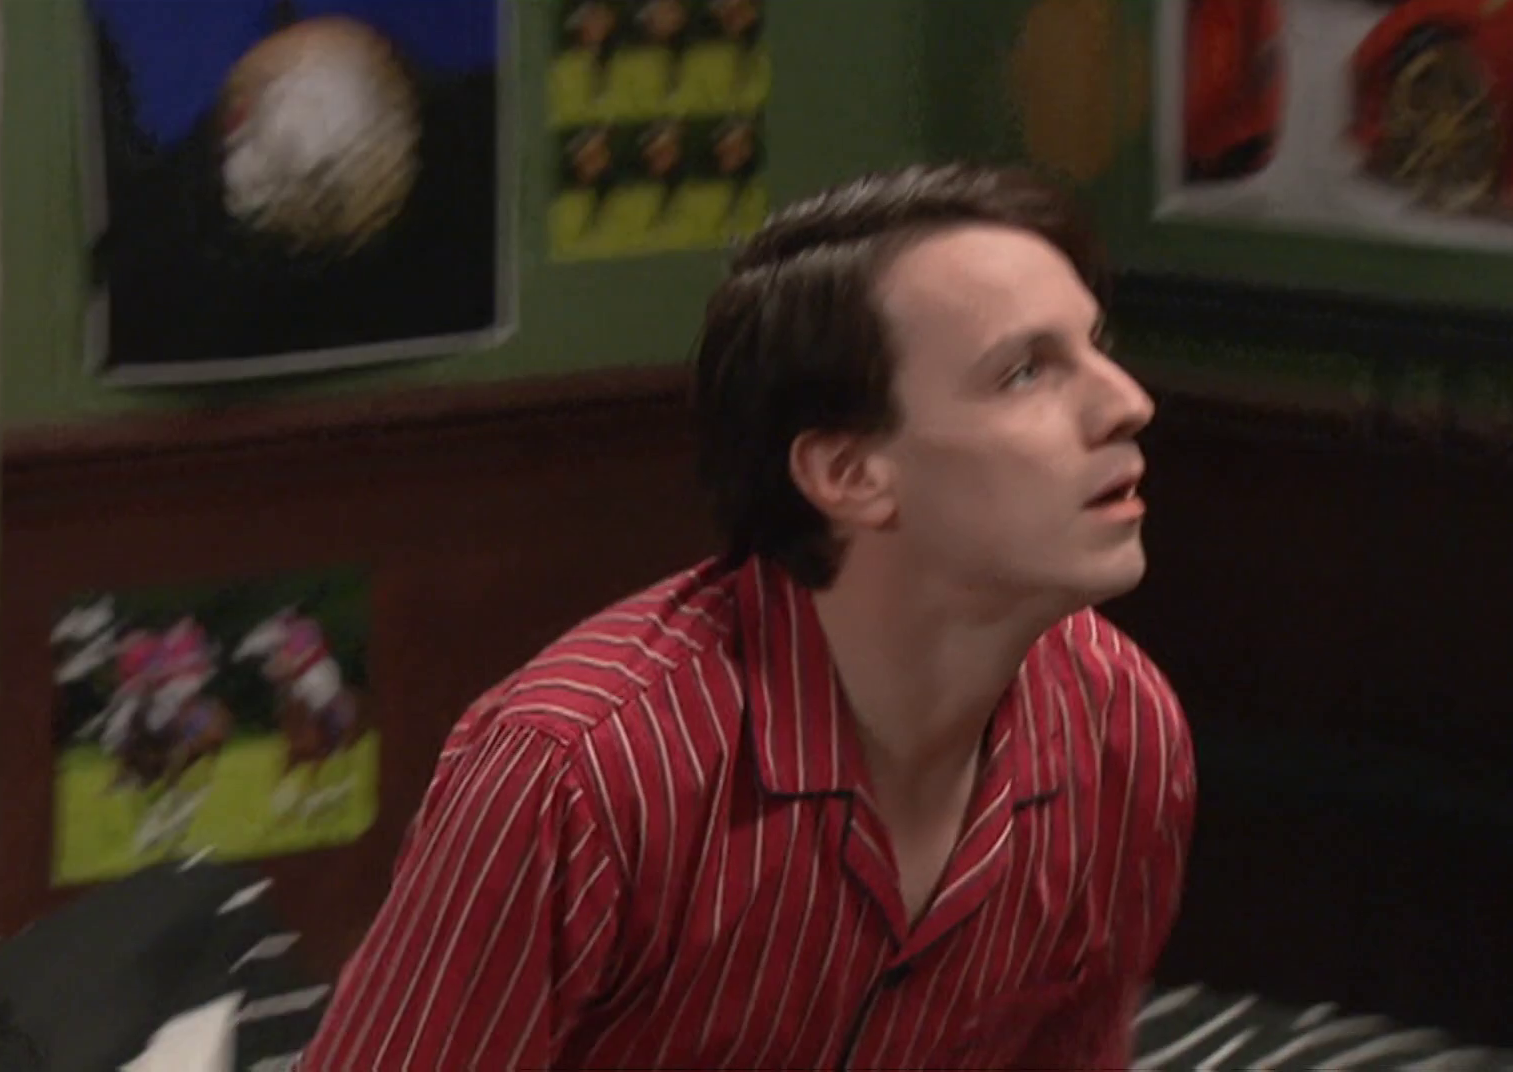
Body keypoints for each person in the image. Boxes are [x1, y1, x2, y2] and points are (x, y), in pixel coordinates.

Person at [300, 164, 1196, 1070]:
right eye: (1025, 372)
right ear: (849, 475)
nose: (1128, 402)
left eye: (1098, 345)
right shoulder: (579, 770)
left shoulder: (1119, 727)